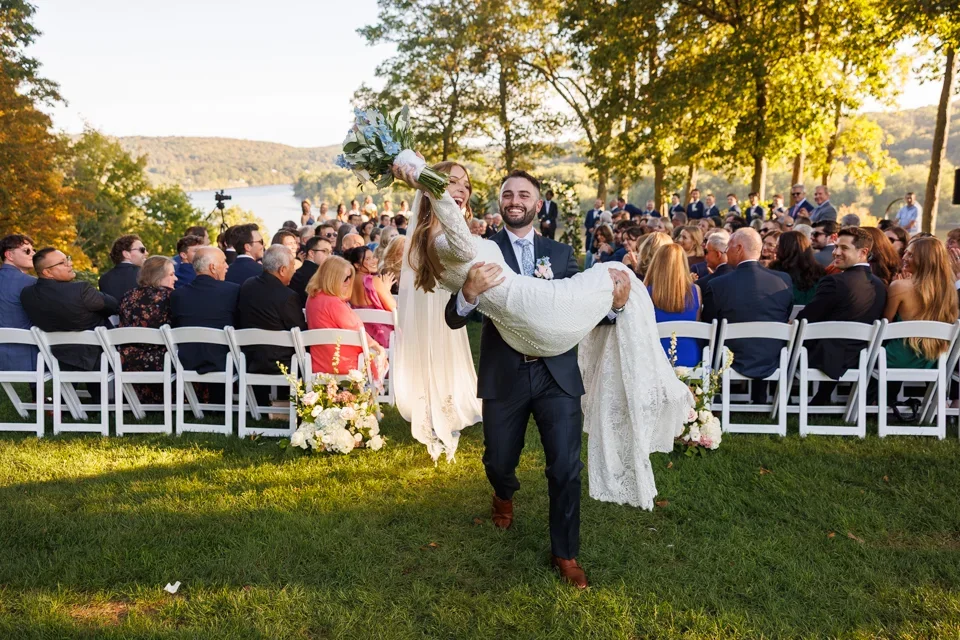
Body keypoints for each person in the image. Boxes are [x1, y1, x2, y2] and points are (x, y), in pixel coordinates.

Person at [395, 160, 689, 589]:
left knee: (566, 467)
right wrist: (469, 294)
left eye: (523, 194)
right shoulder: (478, 244)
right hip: (506, 374)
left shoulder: (561, 254)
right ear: (499, 201)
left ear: (538, 203)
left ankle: (565, 553)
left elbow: (586, 311)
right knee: (499, 459)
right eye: (508, 194)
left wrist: (618, 305)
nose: (514, 201)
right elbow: (453, 319)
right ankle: (503, 494)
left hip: (557, 376)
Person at [394, 162, 484, 462]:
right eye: (453, 182)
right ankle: (438, 410)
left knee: (445, 352)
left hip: (445, 302)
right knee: (437, 351)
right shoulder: (436, 229)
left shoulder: (438, 224)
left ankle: (443, 404)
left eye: (466, 185)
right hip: (435, 303)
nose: (461, 189)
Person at [796, 227, 887, 404]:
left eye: (844, 248)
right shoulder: (880, 285)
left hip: (824, 357)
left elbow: (806, 320)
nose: (836, 252)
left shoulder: (834, 282)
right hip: (862, 357)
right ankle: (820, 397)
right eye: (836, 246)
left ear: (863, 252)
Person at [701, 228, 793, 403]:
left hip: (730, 355)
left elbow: (710, 323)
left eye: (729, 247)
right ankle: (760, 397)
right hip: (771, 354)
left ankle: (717, 395)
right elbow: (784, 315)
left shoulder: (718, 284)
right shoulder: (783, 280)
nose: (726, 252)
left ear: (739, 248)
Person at [21, 249, 118, 402]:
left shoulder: (27, 294)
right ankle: (107, 400)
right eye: (62, 262)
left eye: (67, 258)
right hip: (99, 355)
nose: (70, 263)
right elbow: (113, 306)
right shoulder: (81, 290)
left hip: (60, 355)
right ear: (47, 272)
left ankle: (70, 401)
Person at [236, 246, 306, 404]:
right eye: (292, 267)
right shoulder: (288, 296)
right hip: (281, 364)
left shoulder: (247, 286)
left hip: (249, 359)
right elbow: (299, 333)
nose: (294, 272)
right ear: (282, 270)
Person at [169, 248, 239, 400]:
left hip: (187, 359)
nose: (227, 266)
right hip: (223, 361)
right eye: (223, 262)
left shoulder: (178, 295)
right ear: (212, 267)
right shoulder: (233, 291)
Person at [883, 237, 959, 369]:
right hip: (933, 360)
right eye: (905, 252)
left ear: (925, 260)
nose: (904, 257)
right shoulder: (949, 290)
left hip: (897, 358)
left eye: (911, 255)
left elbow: (885, 324)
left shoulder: (899, 287)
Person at [304, 256, 385, 376]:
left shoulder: (312, 297)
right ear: (333, 278)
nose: (349, 282)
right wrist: (378, 346)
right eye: (346, 278)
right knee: (379, 354)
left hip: (319, 362)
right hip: (343, 363)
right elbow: (357, 329)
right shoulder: (333, 302)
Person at [118, 256, 177, 404]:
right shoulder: (171, 297)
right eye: (171, 274)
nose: (175, 278)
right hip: (163, 361)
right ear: (158, 276)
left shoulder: (128, 296)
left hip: (128, 360)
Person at [646, 243, 702, 366]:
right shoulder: (696, 291)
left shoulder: (646, 292)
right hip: (689, 356)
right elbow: (695, 321)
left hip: (656, 357)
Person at [343, 245, 397, 348]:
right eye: (368, 259)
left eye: (373, 257)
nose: (374, 261)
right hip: (381, 336)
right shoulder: (374, 280)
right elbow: (393, 307)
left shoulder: (349, 282)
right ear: (357, 265)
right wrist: (386, 289)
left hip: (360, 335)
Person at [0, 234, 38, 376]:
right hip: (27, 358)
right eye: (27, 250)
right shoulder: (31, 283)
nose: (33, 254)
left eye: (34, 250)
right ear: (9, 255)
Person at [768, 231, 824, 305]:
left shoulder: (775, 272)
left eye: (778, 247)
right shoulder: (819, 272)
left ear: (789, 250)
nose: (774, 250)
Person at [99, 234, 148, 302]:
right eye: (142, 250)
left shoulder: (103, 279)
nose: (146, 253)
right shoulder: (146, 274)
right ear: (126, 254)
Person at [289, 236, 332, 308]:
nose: (330, 256)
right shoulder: (319, 275)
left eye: (330, 252)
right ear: (311, 253)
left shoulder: (298, 273)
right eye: (325, 251)